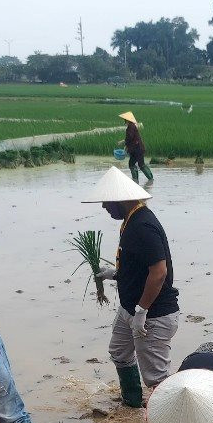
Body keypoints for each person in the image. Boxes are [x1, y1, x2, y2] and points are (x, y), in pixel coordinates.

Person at [82, 166, 181, 408]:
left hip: (153, 315)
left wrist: (142, 312)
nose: (104, 207)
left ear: (121, 200)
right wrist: (116, 274)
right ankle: (132, 403)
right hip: (130, 308)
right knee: (119, 352)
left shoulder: (142, 226)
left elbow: (159, 273)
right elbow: (140, 267)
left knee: (157, 379)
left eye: (107, 202)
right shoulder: (131, 220)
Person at [119, 111, 153, 183]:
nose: (124, 121)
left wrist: (125, 145)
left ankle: (136, 180)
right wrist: (124, 142)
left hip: (137, 149)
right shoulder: (132, 126)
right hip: (138, 148)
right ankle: (149, 179)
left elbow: (130, 138)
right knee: (140, 164)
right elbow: (132, 137)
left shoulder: (130, 127)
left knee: (133, 164)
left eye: (125, 120)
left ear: (127, 120)